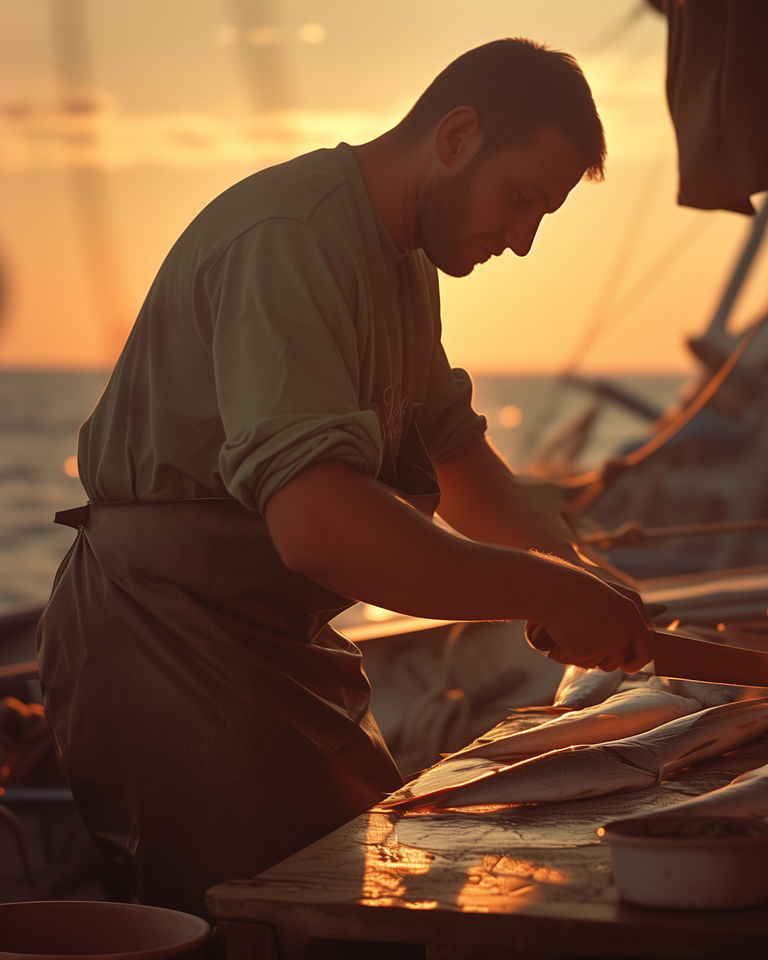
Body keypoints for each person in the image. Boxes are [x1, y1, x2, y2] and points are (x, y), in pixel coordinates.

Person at [36, 37, 655, 918]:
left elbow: (454, 450)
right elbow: (318, 526)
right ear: (456, 137)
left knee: (359, 900)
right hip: (159, 641)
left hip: (281, 643)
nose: (523, 242)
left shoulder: (405, 260)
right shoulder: (291, 237)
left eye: (542, 215)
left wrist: (578, 572)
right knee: (268, 922)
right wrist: (547, 591)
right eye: (521, 199)